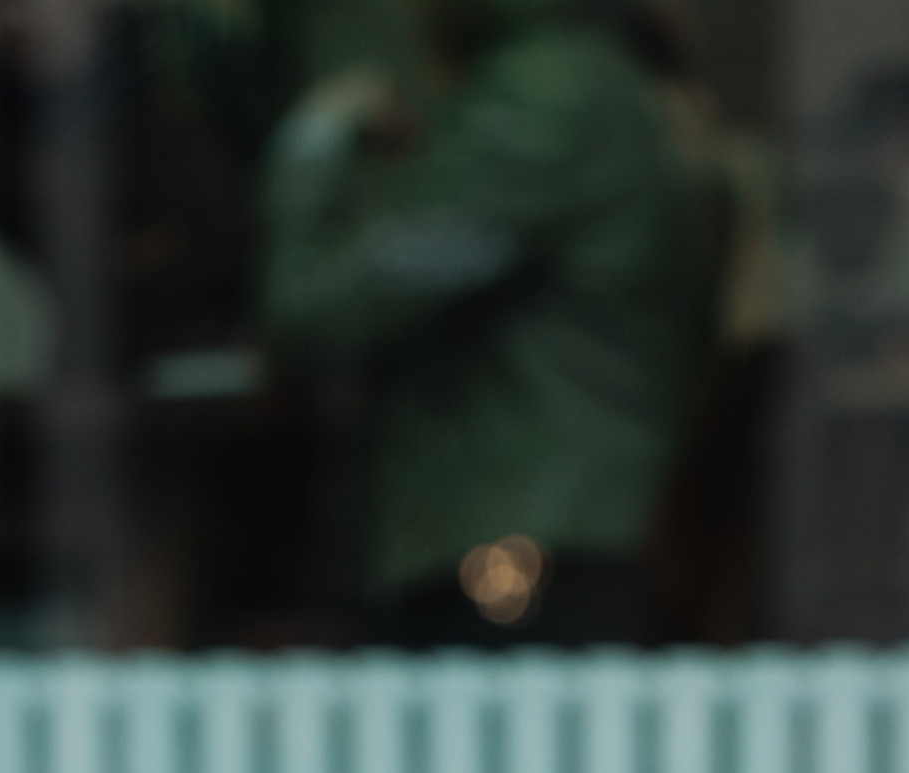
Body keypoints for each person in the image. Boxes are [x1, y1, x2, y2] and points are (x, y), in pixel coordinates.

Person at [262, 0, 724, 646]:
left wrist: (315, 139)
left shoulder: (543, 101)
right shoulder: (590, 83)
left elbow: (322, 308)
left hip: (521, 558)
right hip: (559, 536)